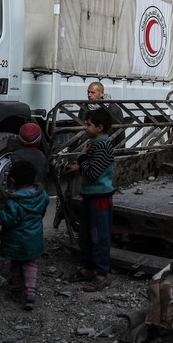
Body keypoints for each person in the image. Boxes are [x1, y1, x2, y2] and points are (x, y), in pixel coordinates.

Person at [0, 160, 49, 311]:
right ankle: (30, 293)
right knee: (30, 264)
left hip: (16, 241)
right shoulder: (42, 196)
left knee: (16, 265)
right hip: (34, 238)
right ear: (35, 177)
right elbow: (42, 212)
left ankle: (17, 290)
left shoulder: (14, 201)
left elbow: (7, 219)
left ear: (12, 180)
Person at [68, 108, 115, 292]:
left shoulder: (103, 145)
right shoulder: (95, 143)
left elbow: (94, 172)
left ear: (100, 127)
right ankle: (87, 269)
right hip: (90, 195)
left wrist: (81, 159)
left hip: (100, 197)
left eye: (88, 124)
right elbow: (92, 166)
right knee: (87, 234)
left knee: (99, 236)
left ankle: (102, 275)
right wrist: (80, 165)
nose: (85, 127)